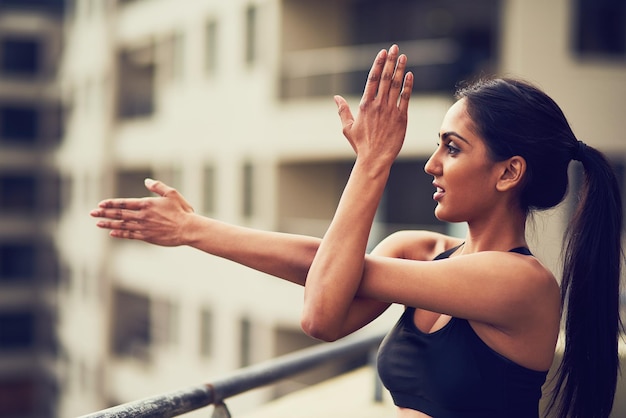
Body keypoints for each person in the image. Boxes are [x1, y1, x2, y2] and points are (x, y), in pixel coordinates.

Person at [90, 45, 622, 418]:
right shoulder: (421, 251)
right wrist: (192, 229)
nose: (432, 163)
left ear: (509, 172)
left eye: (453, 148)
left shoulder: (520, 285)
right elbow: (326, 267)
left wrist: (371, 163)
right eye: (437, 144)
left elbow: (320, 314)